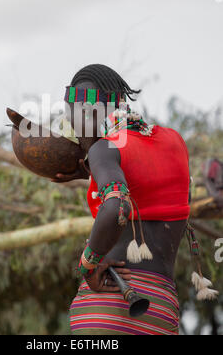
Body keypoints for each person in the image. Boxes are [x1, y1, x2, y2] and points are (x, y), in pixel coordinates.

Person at [52, 63, 191, 335]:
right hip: (161, 309)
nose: (71, 127)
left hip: (109, 309)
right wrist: (94, 167)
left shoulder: (105, 149)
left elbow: (117, 207)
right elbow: (155, 193)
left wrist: (88, 265)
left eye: (72, 117)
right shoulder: (174, 142)